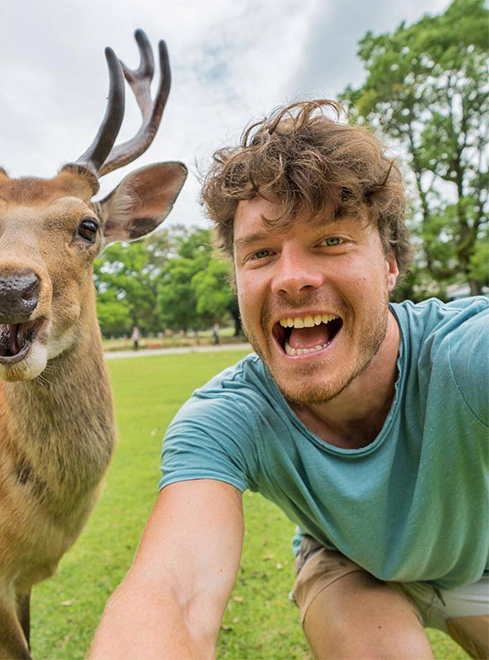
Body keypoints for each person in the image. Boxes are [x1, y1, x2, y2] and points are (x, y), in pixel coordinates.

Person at [90, 100, 488, 659]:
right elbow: (172, 594)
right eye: (262, 253)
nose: (292, 278)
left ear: (390, 262)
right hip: (348, 560)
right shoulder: (226, 419)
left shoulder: (464, 356)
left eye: (331, 240)